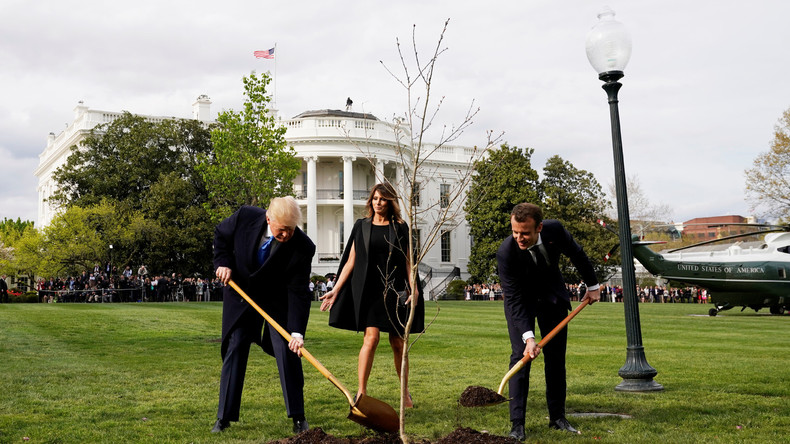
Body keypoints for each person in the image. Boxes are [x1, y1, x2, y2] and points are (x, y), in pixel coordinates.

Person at [211, 196, 316, 435]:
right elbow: (221, 235)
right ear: (269, 219)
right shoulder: (245, 216)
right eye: (281, 230)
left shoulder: (303, 247)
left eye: (291, 230)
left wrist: (297, 332)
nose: (287, 235)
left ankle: (298, 417)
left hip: (276, 301)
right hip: (241, 295)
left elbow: (299, 291)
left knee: (286, 349)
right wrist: (223, 263)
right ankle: (223, 418)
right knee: (236, 346)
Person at [497, 203, 600, 440]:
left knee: (555, 359)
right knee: (520, 357)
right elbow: (513, 298)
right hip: (521, 302)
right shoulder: (506, 252)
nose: (519, 238)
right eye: (515, 232)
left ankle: (557, 418)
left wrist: (592, 286)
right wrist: (529, 337)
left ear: (539, 227)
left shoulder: (555, 230)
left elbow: (578, 254)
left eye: (525, 233)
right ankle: (517, 425)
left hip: (552, 297)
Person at [319, 183, 424, 408]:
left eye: (383, 199)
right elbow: (351, 261)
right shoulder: (362, 226)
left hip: (394, 289)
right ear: (371, 201)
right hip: (369, 291)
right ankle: (362, 393)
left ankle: (405, 394)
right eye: (375, 198)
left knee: (398, 343)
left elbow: (408, 261)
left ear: (390, 202)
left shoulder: (400, 227)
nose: (378, 202)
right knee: (371, 338)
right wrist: (335, 289)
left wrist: (413, 287)